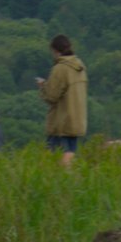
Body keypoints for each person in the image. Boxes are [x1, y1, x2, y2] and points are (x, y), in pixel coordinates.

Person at [38, 34, 88, 166]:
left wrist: (43, 86)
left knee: (55, 158)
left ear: (55, 50)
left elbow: (51, 96)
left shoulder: (60, 68)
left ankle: (60, 179)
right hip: (77, 120)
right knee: (71, 152)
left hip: (62, 121)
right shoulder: (80, 66)